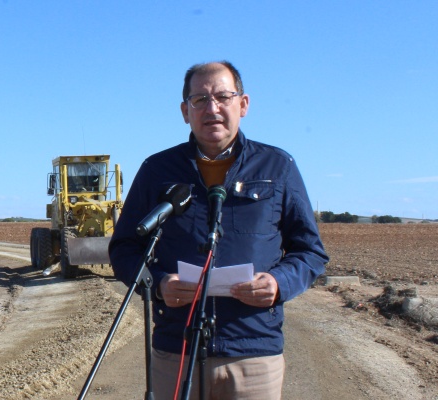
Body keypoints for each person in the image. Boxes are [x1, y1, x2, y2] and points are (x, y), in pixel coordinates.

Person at [108, 61, 328, 400]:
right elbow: (124, 248)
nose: (212, 108)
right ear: (185, 111)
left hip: (254, 354)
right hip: (176, 350)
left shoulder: (278, 167)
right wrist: (158, 283)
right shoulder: (157, 171)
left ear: (243, 104)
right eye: (199, 100)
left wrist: (278, 284)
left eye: (223, 96)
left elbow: (310, 251)